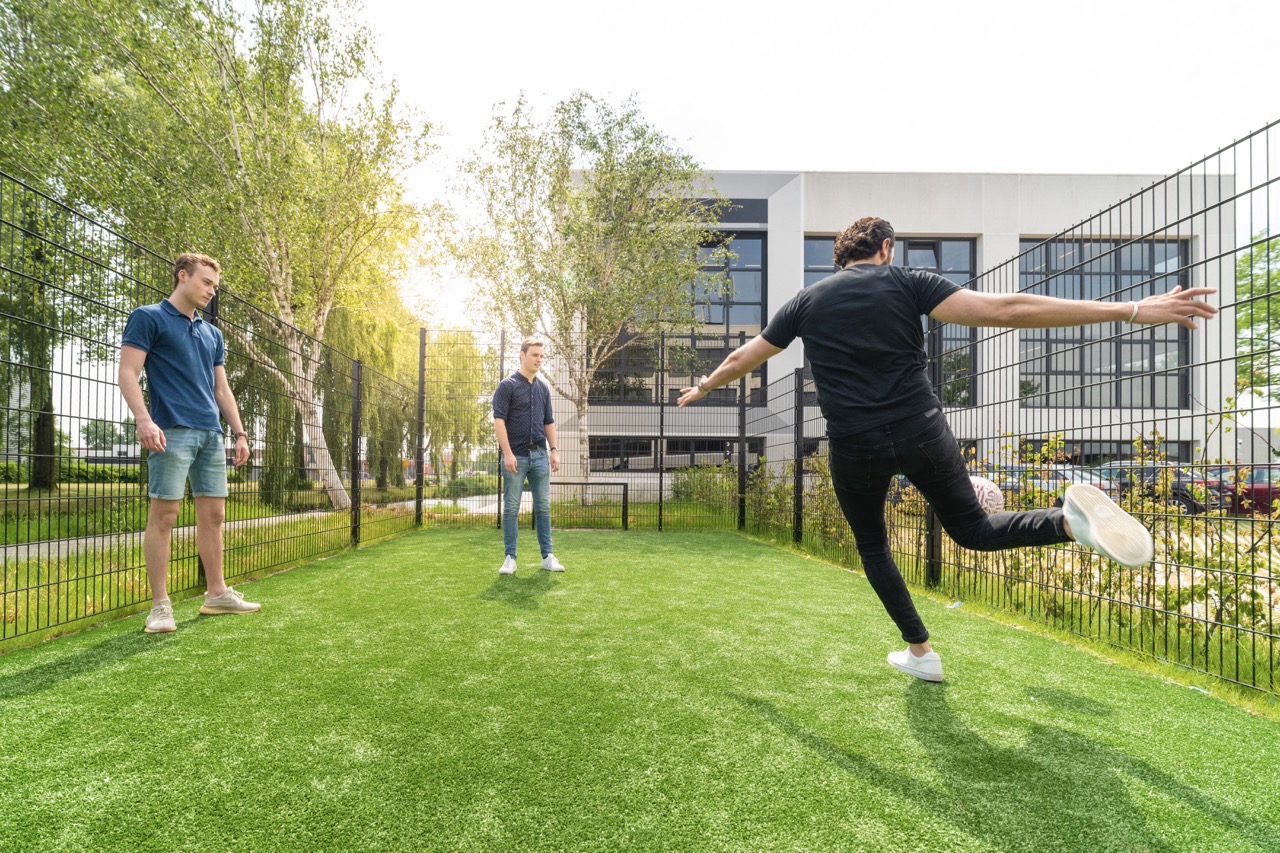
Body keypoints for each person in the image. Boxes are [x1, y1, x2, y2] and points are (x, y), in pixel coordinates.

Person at [677, 216, 1218, 682]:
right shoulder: (910, 281)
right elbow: (1006, 310)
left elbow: (742, 360)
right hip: (920, 428)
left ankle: (921, 653)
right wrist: (1128, 311)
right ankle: (1069, 524)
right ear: (885, 249)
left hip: (855, 443)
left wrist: (702, 387)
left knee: (872, 545)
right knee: (974, 531)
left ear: (840, 258)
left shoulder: (805, 303)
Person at [118, 253, 261, 633]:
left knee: (214, 516)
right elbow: (128, 372)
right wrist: (143, 418)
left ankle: (217, 594)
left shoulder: (212, 334)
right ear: (183, 276)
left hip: (211, 434)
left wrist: (240, 432)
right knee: (164, 516)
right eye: (206, 283)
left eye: (215, 287)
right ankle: (160, 606)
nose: (211, 292)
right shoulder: (148, 317)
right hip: (170, 431)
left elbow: (221, 388)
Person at [492, 337, 565, 574]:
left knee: (543, 507)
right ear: (522, 355)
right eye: (535, 355)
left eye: (542, 356)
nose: (539, 360)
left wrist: (554, 450)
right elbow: (499, 421)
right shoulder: (508, 386)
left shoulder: (544, 388)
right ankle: (510, 559)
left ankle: (548, 556)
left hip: (540, 457)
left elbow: (549, 422)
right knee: (511, 508)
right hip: (516, 458)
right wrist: (508, 453)